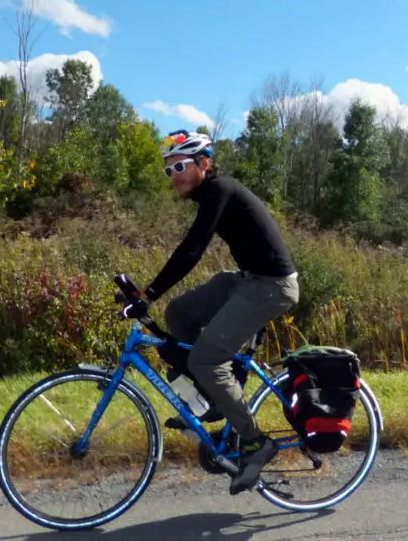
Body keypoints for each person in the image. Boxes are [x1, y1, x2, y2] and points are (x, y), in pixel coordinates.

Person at [120, 129, 300, 495]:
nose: (174, 177)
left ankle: (254, 442)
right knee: (180, 314)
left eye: (180, 166)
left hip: (271, 286)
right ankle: (211, 401)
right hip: (246, 279)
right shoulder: (211, 195)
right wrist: (150, 296)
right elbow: (192, 248)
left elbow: (192, 249)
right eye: (168, 170)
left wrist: (148, 293)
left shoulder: (220, 189)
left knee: (205, 359)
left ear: (204, 163)